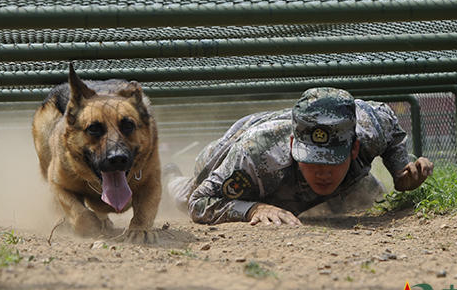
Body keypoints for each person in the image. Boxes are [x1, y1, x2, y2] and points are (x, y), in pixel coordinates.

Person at [165, 87, 434, 226]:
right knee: (184, 196)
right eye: (312, 159)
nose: (323, 172)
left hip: (331, 183)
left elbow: (391, 125)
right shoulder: (254, 154)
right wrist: (253, 209)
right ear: (294, 145)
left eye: (332, 160)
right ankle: (170, 175)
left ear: (354, 149)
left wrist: (400, 171)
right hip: (232, 149)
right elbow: (200, 202)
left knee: (374, 197)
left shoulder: (371, 126)